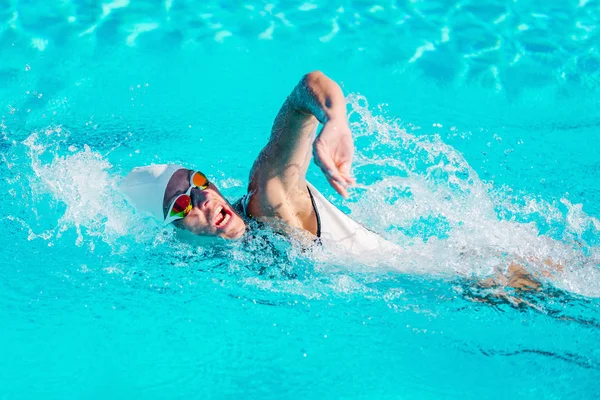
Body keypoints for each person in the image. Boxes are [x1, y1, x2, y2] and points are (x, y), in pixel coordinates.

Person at [122, 71, 398, 255]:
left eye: (198, 181)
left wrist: (335, 120)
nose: (205, 196)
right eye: (182, 204)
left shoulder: (266, 200)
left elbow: (307, 87)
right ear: (170, 233)